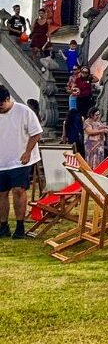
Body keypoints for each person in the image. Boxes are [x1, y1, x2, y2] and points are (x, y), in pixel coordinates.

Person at [0, 84, 43, 239]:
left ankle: (20, 226)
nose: (0, 109)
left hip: (20, 160)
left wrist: (27, 152)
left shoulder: (24, 111)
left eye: (1, 105)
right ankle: (3, 226)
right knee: (1, 194)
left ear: (7, 99)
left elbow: (36, 134)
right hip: (1, 161)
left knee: (18, 190)